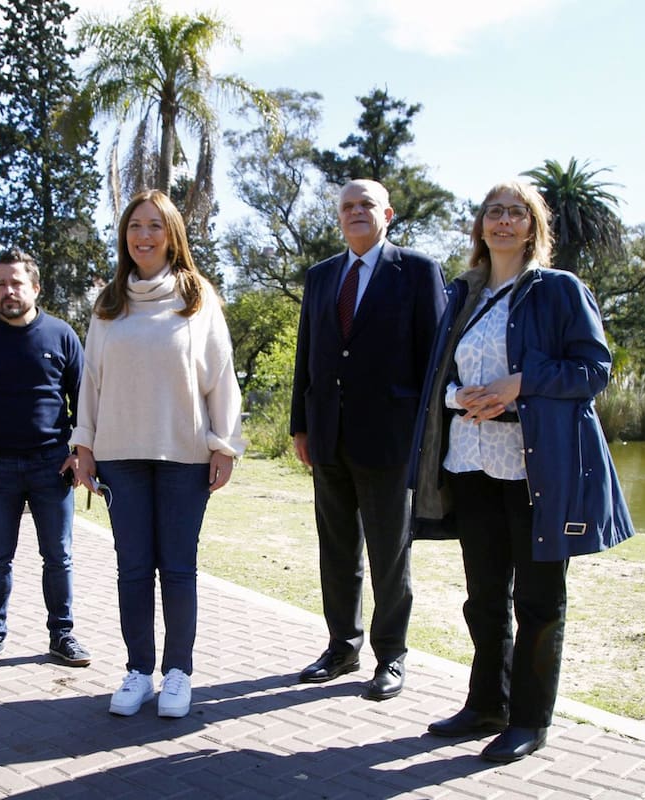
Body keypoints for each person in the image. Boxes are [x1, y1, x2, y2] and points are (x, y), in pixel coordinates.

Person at [408, 180, 634, 762]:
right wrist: (463, 398)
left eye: (516, 213)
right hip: (470, 462)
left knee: (537, 599)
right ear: (481, 226)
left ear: (533, 227)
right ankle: (488, 702)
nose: (504, 222)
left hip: (535, 469)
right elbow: (442, 378)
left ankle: (530, 720)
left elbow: (592, 370)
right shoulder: (466, 293)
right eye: (494, 212)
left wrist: (519, 386)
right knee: (483, 596)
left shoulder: (560, 291)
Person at [72, 189, 244, 719]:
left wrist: (224, 445)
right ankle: (137, 670)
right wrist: (83, 446)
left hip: (184, 456)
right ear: (125, 237)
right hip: (120, 455)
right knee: (132, 568)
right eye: (134, 227)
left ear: (172, 235)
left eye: (154, 226)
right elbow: (91, 383)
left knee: (178, 569)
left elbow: (221, 376)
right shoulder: (108, 303)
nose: (143, 236)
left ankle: (177, 673)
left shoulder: (198, 297)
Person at [290, 179, 445, 701]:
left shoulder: (418, 272)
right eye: (347, 206)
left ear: (388, 214)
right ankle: (342, 646)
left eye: (366, 206)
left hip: (390, 440)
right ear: (339, 216)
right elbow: (306, 355)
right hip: (328, 435)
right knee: (336, 552)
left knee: (389, 555)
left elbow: (434, 363)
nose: (356, 212)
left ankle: (391, 656)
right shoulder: (321, 277)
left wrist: (425, 437)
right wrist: (300, 425)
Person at [0, 249, 90, 669]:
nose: (8, 291)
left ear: (35, 287)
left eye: (16, 283)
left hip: (52, 465)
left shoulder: (62, 335)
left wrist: (81, 453)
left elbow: (84, 399)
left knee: (58, 557)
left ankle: (62, 634)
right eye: (0, 284)